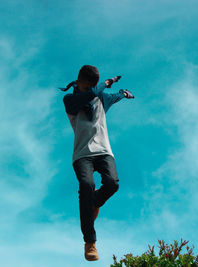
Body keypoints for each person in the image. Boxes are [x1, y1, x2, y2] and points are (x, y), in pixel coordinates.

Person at [61, 65, 134, 261]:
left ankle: (94, 202)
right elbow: (89, 94)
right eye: (89, 85)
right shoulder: (70, 100)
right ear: (79, 81)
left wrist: (123, 93)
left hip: (103, 151)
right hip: (82, 154)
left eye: (94, 86)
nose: (92, 89)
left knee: (112, 184)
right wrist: (106, 83)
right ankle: (90, 241)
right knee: (86, 185)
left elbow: (113, 96)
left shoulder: (101, 97)